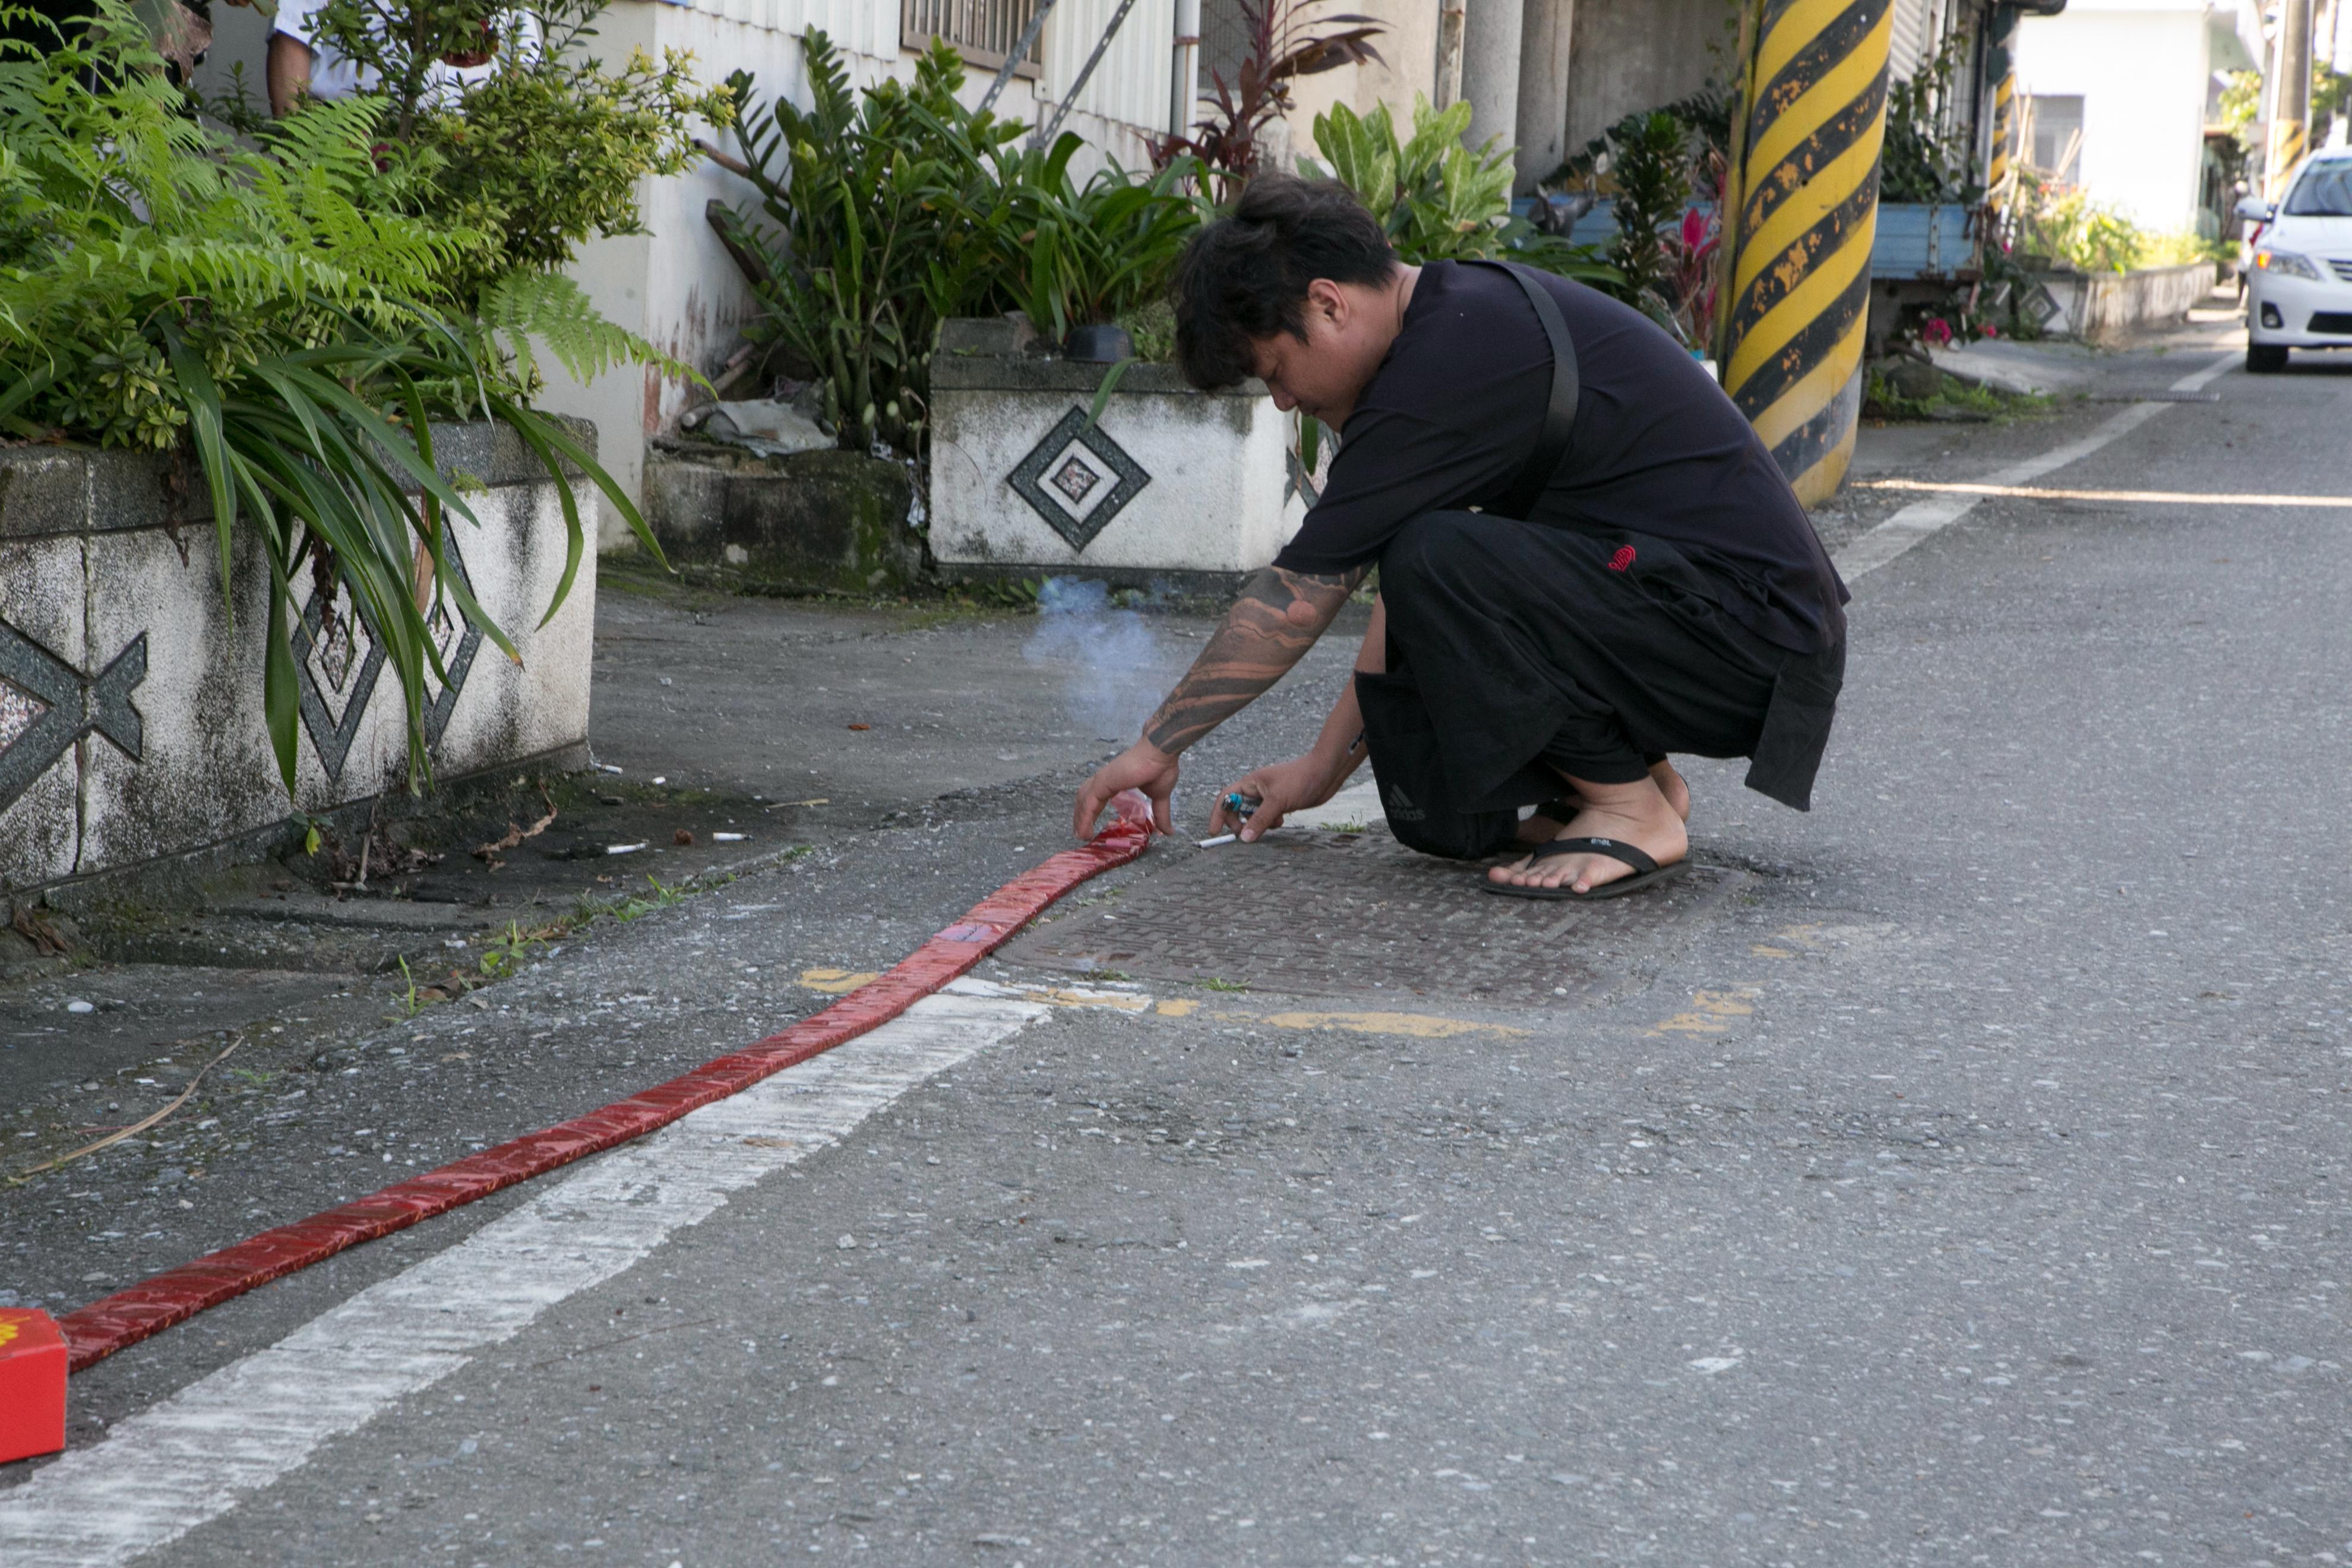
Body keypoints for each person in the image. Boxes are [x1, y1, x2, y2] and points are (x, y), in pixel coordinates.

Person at [1069, 175, 1848, 899]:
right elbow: (1415, 599)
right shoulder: (1457, 319)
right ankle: (1638, 783)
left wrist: (1158, 745)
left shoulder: (1442, 363)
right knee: (1439, 798)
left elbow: (1300, 599)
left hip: (1749, 636)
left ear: (1328, 305)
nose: (1282, 401)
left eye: (1276, 371)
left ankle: (1629, 807)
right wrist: (1319, 769)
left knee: (1435, 558)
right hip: (1724, 625)